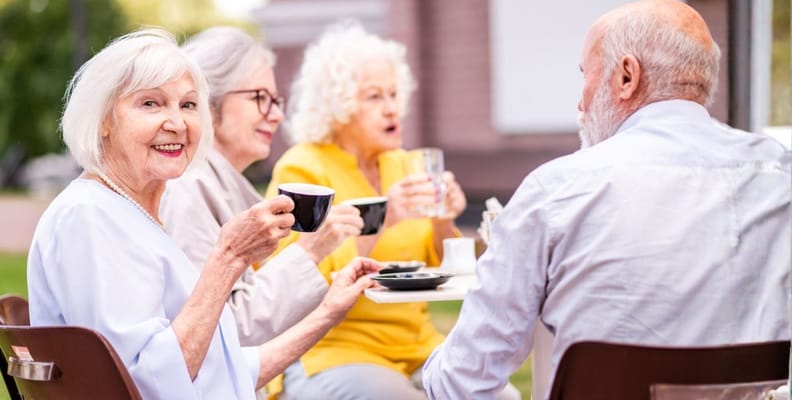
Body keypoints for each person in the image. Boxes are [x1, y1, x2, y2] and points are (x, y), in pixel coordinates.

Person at [422, 0, 792, 398]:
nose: (581, 104)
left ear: (627, 76)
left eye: (586, 75)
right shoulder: (781, 179)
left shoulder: (555, 192)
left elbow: (462, 381)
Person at [26, 28, 379, 399]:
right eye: (150, 103)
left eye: (188, 105)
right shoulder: (90, 218)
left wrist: (328, 312)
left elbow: (221, 369)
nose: (177, 123)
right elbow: (145, 384)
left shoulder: (129, 212)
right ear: (104, 121)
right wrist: (228, 258)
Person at [264, 21, 521, 400]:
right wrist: (383, 217)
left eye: (394, 94)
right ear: (338, 106)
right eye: (374, 97)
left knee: (503, 396)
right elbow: (296, 283)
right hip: (334, 350)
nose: (392, 109)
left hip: (416, 346)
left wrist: (444, 218)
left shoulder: (405, 165)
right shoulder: (302, 169)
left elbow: (445, 268)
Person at [160, 26, 364, 346]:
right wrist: (311, 250)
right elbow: (223, 331)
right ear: (208, 101)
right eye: (261, 98)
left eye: (277, 101)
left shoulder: (213, 186)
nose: (278, 115)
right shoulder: (188, 191)